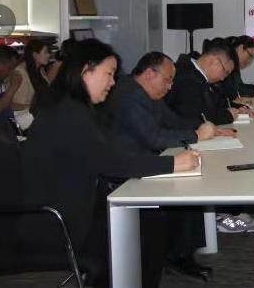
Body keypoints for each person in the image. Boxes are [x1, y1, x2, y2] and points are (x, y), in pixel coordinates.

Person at [21, 39, 200, 288]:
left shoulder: (72, 106)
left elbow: (106, 157)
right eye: (109, 74)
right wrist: (172, 164)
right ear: (86, 70)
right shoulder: (69, 112)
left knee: (150, 223)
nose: (113, 82)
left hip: (71, 206)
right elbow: (110, 163)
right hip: (58, 220)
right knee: (145, 229)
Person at [106, 52, 233, 280]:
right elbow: (154, 138)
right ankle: (176, 255)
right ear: (149, 74)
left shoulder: (149, 93)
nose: (170, 86)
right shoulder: (127, 96)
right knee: (186, 187)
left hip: (143, 160)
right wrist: (196, 135)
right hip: (126, 172)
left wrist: (208, 128)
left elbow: (173, 121)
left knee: (193, 179)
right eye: (167, 80)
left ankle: (182, 253)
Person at [165, 41, 254, 234]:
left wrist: (233, 109)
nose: (223, 78)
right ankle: (222, 214)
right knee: (228, 159)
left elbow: (212, 108)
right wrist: (226, 116)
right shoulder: (186, 78)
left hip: (191, 136)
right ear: (214, 61)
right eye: (225, 72)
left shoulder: (197, 76)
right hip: (177, 143)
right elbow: (194, 117)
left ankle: (229, 210)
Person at [11, 39, 51, 129]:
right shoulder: (21, 73)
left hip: (37, 115)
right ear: (35, 55)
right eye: (45, 52)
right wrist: (40, 107)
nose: (48, 55)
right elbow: (15, 105)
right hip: (24, 118)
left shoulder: (40, 70)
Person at [219, 35, 254, 100]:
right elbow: (229, 90)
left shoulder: (235, 64)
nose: (250, 62)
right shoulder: (227, 62)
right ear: (241, 48)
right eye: (250, 56)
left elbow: (239, 86)